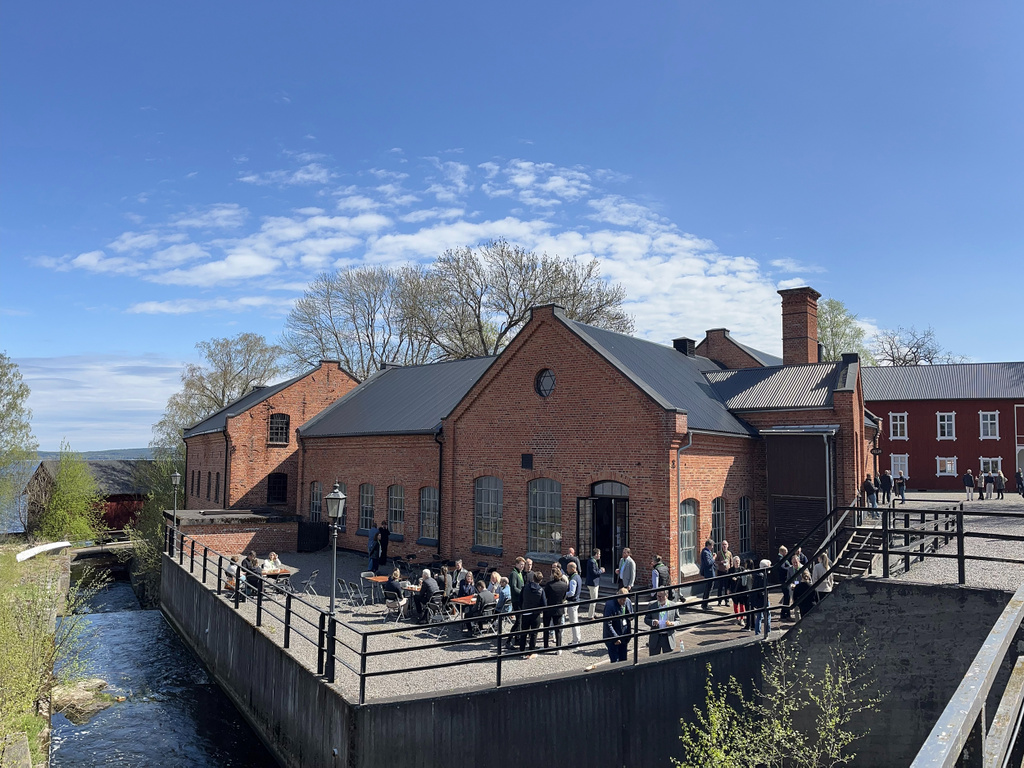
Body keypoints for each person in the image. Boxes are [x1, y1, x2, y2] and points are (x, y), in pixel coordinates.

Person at [644, 589, 681, 656]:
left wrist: (672, 624)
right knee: (653, 660)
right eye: (658, 596)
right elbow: (646, 619)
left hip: (668, 638)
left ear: (666, 596)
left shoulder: (673, 605)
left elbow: (678, 620)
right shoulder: (652, 605)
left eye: (661, 597)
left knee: (668, 661)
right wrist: (652, 622)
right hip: (655, 638)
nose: (659, 598)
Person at [519, 570, 547, 657]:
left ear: (533, 578)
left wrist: (523, 607)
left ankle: (522, 650)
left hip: (525, 612)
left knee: (524, 632)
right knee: (534, 633)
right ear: (541, 580)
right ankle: (531, 650)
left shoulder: (525, 587)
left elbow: (520, 599)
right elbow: (544, 604)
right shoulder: (541, 590)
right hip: (535, 614)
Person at [602, 588, 633, 663]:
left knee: (624, 661)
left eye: (624, 600)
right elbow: (608, 624)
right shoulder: (610, 605)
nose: (622, 602)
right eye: (621, 600)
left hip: (624, 636)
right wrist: (615, 637)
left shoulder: (627, 601)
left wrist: (630, 617)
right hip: (612, 638)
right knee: (615, 661)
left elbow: (631, 615)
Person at [542, 565, 568, 653]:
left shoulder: (549, 585)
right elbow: (564, 596)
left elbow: (545, 596)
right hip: (559, 608)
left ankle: (546, 646)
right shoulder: (564, 585)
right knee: (558, 629)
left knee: (546, 627)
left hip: (549, 607)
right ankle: (558, 648)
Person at [507, 557, 526, 650]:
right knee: (518, 621)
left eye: (523, 565)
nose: (522, 566)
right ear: (516, 564)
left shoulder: (520, 573)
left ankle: (517, 638)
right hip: (516, 600)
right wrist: (523, 592)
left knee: (520, 620)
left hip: (520, 600)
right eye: (521, 564)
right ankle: (508, 640)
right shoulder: (514, 574)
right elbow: (514, 588)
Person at [564, 561, 583, 645]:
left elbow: (572, 592)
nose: (567, 570)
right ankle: (578, 638)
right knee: (575, 621)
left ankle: (576, 641)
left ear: (572, 568)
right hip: (576, 601)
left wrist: (564, 594)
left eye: (568, 568)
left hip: (572, 602)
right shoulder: (578, 577)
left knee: (573, 622)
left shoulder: (573, 579)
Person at [750, 560, 771, 635]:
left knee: (759, 616)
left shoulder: (757, 575)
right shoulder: (763, 577)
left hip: (758, 598)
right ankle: (768, 631)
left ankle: (757, 632)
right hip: (763, 599)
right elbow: (762, 588)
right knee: (767, 615)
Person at [585, 549, 604, 619]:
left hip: (595, 582)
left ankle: (593, 613)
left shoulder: (593, 561)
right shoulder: (592, 562)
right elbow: (594, 573)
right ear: (596, 554)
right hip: (592, 583)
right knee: (593, 600)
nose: (600, 555)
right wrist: (601, 571)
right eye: (599, 554)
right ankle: (590, 616)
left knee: (595, 599)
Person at [700, 539, 716, 609]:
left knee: (708, 588)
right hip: (708, 573)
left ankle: (705, 603)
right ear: (709, 545)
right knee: (708, 589)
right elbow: (708, 563)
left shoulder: (707, 552)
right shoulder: (705, 552)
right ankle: (705, 604)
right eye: (712, 546)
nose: (712, 547)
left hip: (710, 572)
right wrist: (714, 558)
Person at [728, 555, 744, 626]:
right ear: (733, 562)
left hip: (741, 589)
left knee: (742, 604)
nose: (737, 563)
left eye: (738, 561)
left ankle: (742, 619)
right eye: (736, 561)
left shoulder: (742, 569)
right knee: (735, 604)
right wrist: (728, 589)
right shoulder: (731, 570)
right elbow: (728, 580)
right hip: (734, 589)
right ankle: (737, 618)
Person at [715, 541, 732, 606]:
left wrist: (731, 570)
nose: (724, 546)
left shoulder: (729, 553)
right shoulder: (719, 553)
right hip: (720, 572)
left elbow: (731, 562)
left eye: (725, 544)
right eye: (723, 545)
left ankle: (726, 601)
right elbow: (716, 562)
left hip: (727, 572)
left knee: (726, 587)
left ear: (728, 545)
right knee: (720, 587)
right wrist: (721, 562)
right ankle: (719, 601)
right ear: (721, 546)